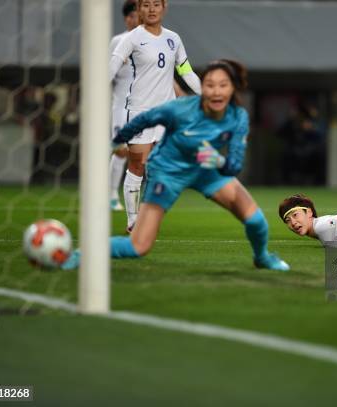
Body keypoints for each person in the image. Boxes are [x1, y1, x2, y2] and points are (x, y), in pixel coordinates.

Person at [61, 60, 289, 272]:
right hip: (167, 172)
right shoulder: (181, 109)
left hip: (205, 170)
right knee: (138, 247)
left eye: (223, 85)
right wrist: (115, 141)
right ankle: (83, 253)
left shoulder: (238, 117)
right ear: (202, 87)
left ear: (232, 89)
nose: (216, 91)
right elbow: (144, 119)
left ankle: (262, 257)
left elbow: (235, 165)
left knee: (256, 219)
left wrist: (218, 161)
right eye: (209, 85)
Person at [110, 0, 201, 231]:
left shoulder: (174, 38)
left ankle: (149, 214)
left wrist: (205, 95)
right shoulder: (131, 38)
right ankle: (132, 219)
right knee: (137, 164)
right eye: (146, 4)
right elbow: (112, 65)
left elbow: (185, 70)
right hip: (139, 112)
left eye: (156, 4)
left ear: (164, 7)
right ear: (139, 9)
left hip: (167, 113)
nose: (151, 9)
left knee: (160, 165)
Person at [109, 0, 139, 211]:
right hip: (120, 106)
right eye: (130, 15)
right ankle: (111, 195)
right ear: (125, 19)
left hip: (143, 107)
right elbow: (107, 74)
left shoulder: (150, 41)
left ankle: (136, 199)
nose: (134, 19)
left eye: (136, 14)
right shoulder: (117, 41)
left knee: (138, 152)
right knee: (120, 151)